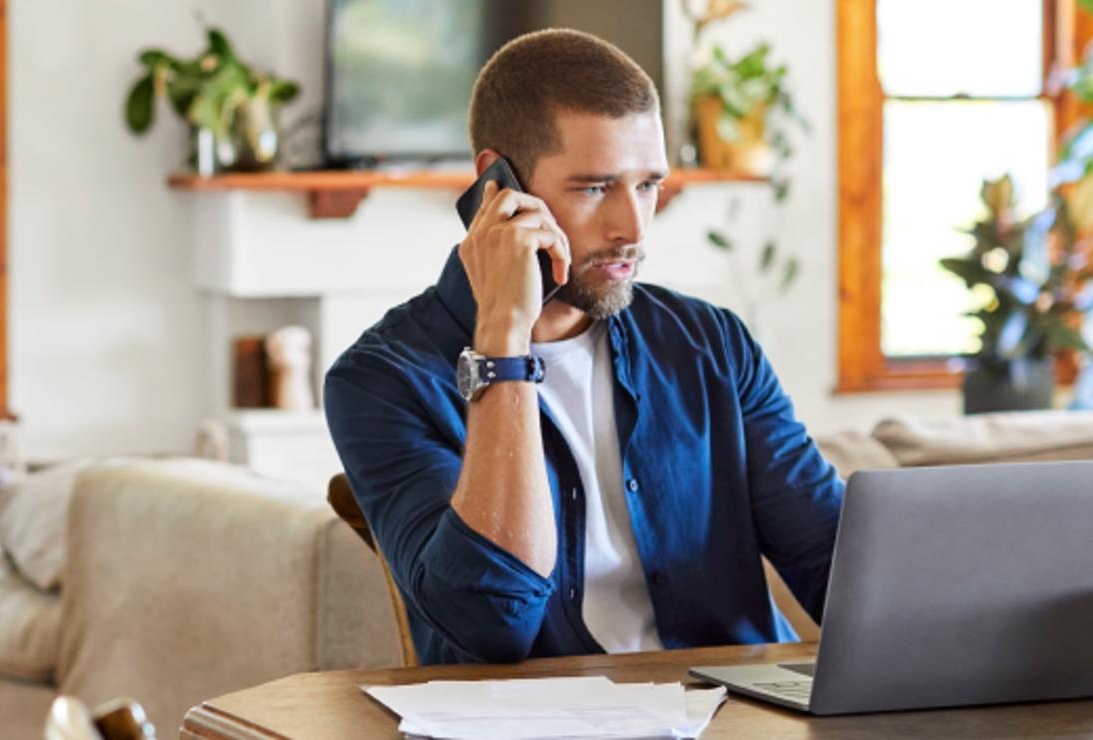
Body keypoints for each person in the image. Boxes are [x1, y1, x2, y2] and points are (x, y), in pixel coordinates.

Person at [324, 29, 844, 666]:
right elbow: (493, 621)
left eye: (648, 185)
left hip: (738, 718)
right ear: (497, 185)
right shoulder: (380, 380)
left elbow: (835, 570)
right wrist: (503, 342)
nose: (633, 226)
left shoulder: (711, 343)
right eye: (595, 188)